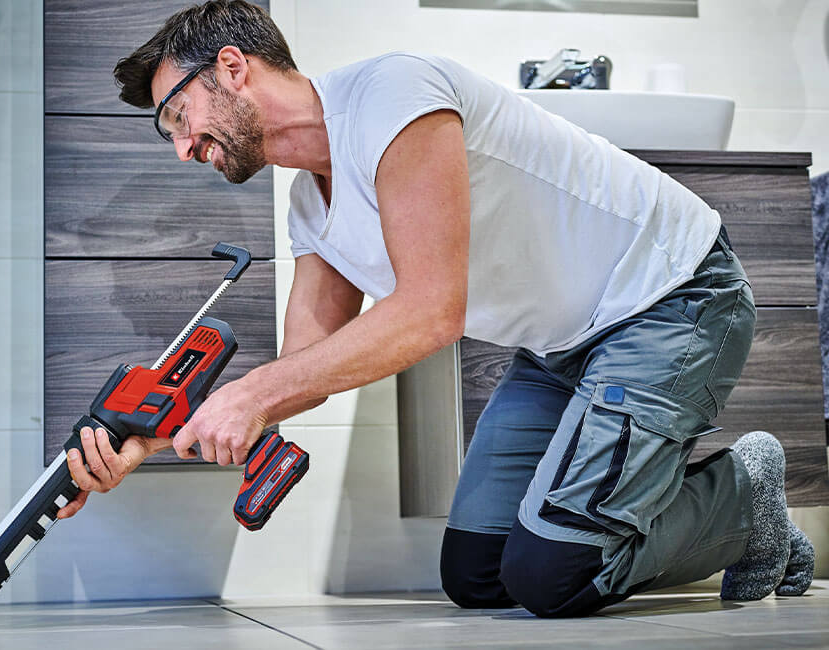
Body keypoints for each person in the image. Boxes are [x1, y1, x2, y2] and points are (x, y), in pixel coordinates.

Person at [55, 0, 814, 616]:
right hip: (558, 350)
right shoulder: (308, 207)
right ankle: (651, 500)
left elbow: (429, 313)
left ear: (230, 67)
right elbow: (303, 373)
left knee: (554, 575)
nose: (183, 148)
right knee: (479, 574)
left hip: (671, 298)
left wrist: (251, 395)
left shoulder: (391, 94)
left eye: (176, 118)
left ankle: (744, 493)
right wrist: (160, 440)